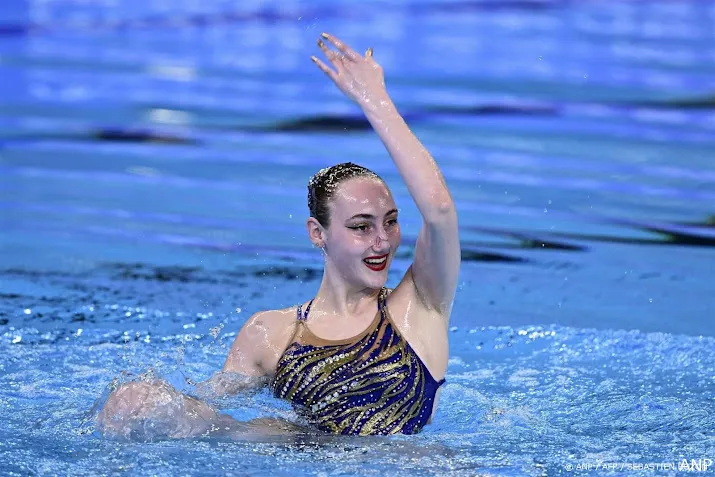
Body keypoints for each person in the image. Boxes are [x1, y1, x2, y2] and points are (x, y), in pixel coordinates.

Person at [96, 32, 460, 439]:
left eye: (390, 222)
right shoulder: (270, 333)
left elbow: (440, 209)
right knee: (266, 431)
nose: (383, 241)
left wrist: (375, 101)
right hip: (307, 456)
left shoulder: (420, 307)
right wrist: (158, 404)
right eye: (361, 227)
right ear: (317, 233)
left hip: (408, 465)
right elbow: (212, 404)